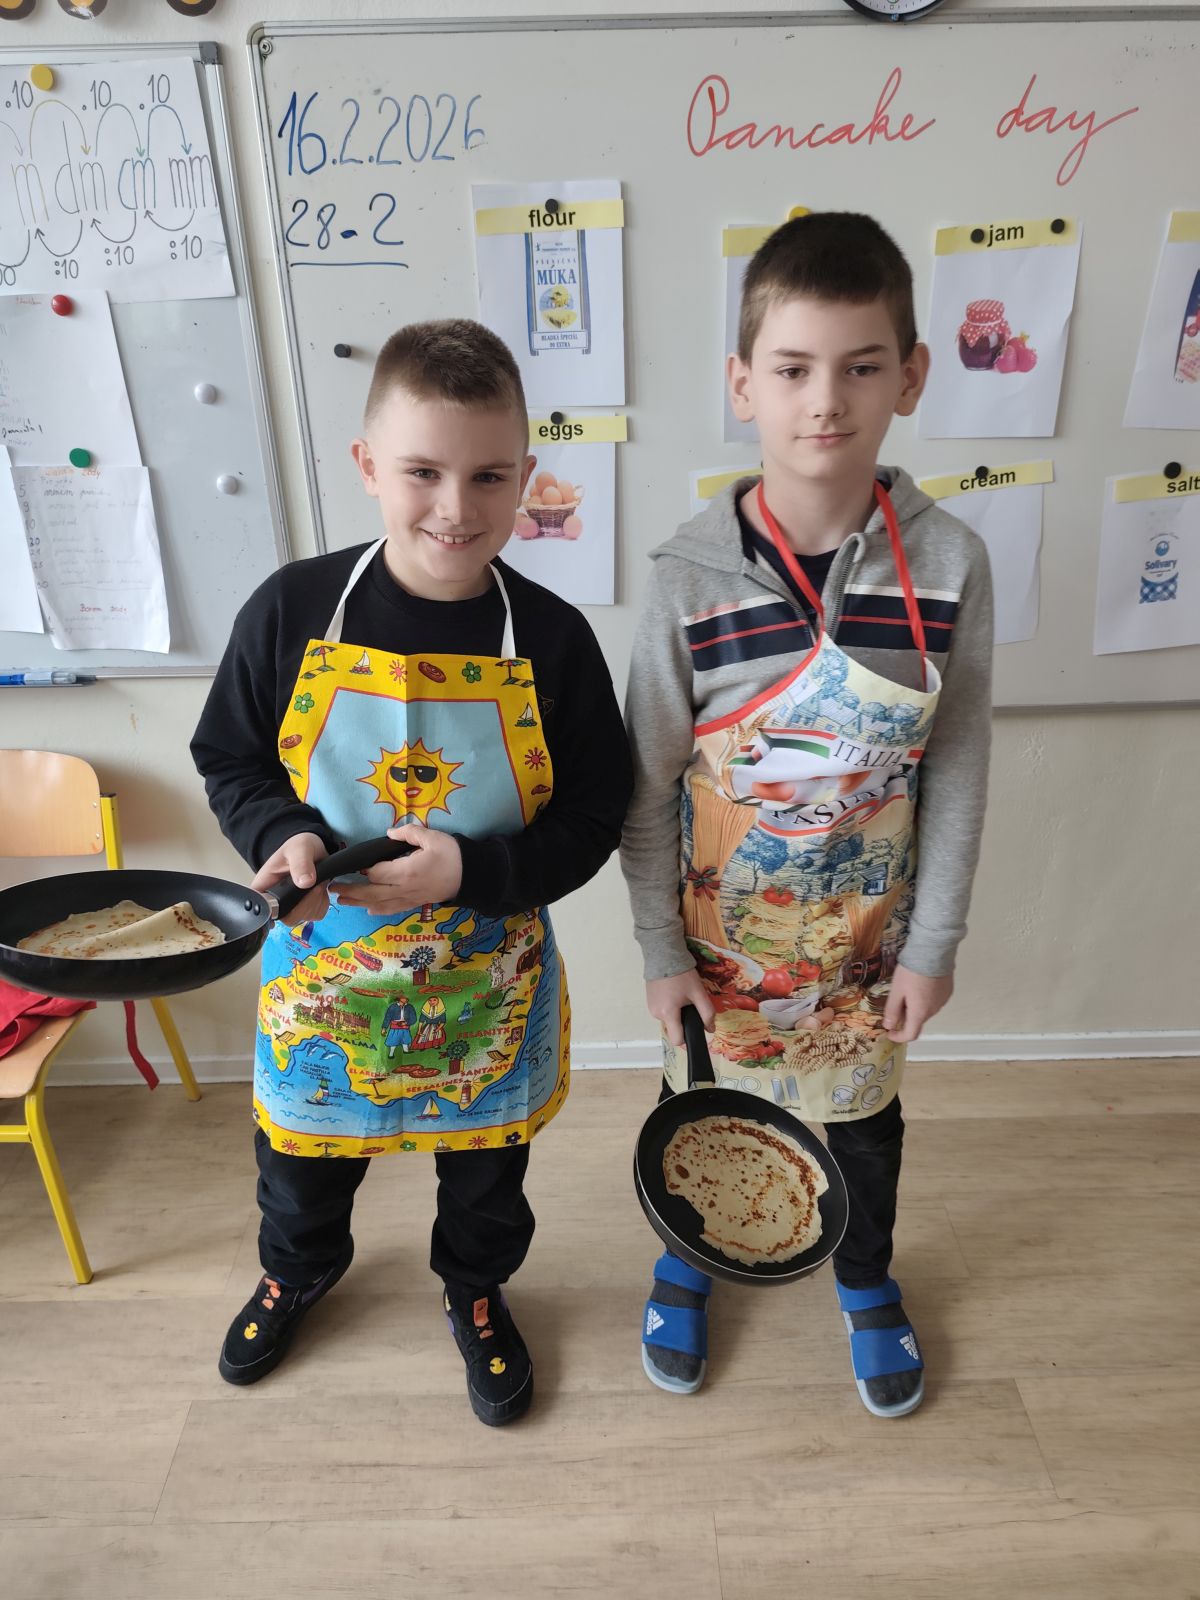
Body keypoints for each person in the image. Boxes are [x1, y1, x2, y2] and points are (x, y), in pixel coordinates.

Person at [193, 318, 632, 1426]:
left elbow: (595, 814)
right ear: (367, 465)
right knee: (300, 1164)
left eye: (489, 476)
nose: (455, 507)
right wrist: (282, 833)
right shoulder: (290, 610)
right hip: (323, 968)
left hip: (488, 973)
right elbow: (231, 756)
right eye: (422, 472)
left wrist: (477, 869)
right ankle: (298, 1271)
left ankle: (476, 1287)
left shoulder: (554, 640)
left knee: (487, 1170)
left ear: (526, 473)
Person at [620, 213, 992, 1418]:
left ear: (911, 376)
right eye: (791, 369)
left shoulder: (951, 564)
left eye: (860, 365)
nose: (824, 400)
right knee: (701, 1108)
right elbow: (645, 785)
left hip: (871, 941)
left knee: (866, 1126)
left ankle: (867, 1278)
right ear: (743, 384)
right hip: (719, 941)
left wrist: (934, 945)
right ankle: (692, 1254)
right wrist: (659, 950)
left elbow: (959, 763)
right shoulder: (687, 576)